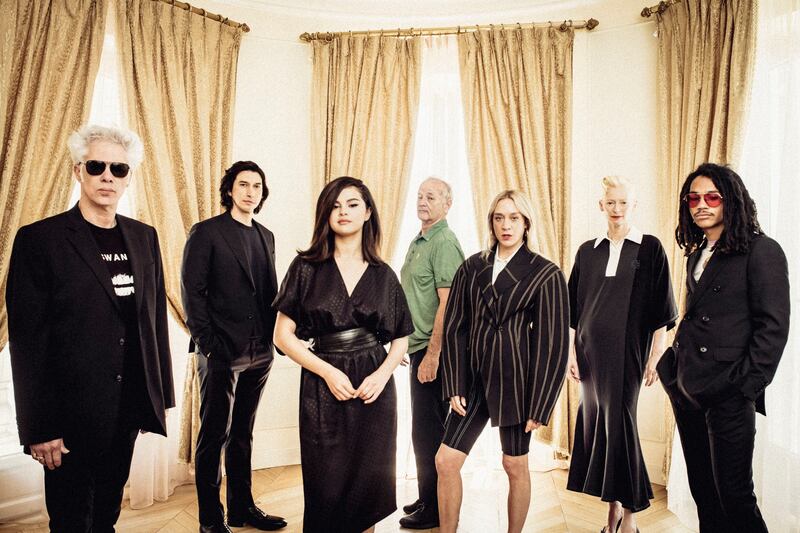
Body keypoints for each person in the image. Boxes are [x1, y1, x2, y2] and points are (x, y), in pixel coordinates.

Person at [6, 124, 174, 531]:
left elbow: (153, 320)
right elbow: (28, 344)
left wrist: (159, 394)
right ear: (77, 171)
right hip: (68, 416)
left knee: (106, 516)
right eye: (96, 165)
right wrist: (39, 427)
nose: (107, 176)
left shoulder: (144, 237)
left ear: (128, 177)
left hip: (128, 407)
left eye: (119, 169)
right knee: (70, 521)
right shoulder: (39, 240)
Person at [272, 176, 414, 533]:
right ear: (325, 214)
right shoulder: (305, 267)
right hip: (323, 385)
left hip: (374, 388)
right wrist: (328, 373)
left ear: (368, 213)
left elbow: (401, 339)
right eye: (335, 206)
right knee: (327, 485)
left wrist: (381, 376)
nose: (343, 212)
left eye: (352, 204)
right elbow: (282, 336)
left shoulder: (384, 275)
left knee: (368, 486)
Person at [657, 163, 790, 533]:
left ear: (730, 199)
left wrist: (742, 388)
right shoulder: (697, 251)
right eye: (694, 198)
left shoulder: (761, 251)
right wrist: (672, 368)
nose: (702, 204)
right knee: (704, 492)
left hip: (728, 392)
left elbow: (773, 330)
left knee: (735, 496)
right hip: (687, 388)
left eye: (712, 197)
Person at [436, 190, 570, 533]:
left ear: (526, 223)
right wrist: (454, 384)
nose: (505, 225)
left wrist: (540, 404)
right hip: (474, 381)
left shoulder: (546, 273)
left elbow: (551, 345)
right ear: (491, 222)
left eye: (513, 218)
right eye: (499, 217)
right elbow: (455, 328)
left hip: (517, 385)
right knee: (446, 460)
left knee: (514, 464)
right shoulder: (472, 267)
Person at [565, 176, 677, 533]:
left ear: (633, 206)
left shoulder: (650, 247)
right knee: (600, 428)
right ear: (601, 206)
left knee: (620, 426)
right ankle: (611, 512)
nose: (616, 210)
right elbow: (572, 310)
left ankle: (629, 517)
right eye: (610, 203)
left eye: (623, 203)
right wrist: (569, 354)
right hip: (588, 355)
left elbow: (662, 308)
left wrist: (655, 355)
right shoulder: (587, 250)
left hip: (627, 353)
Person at [181, 161, 286, 532]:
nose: (250, 191)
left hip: (261, 352)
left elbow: (271, 294)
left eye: (257, 186)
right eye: (243, 184)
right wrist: (210, 347)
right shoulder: (206, 232)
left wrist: (280, 340)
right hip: (221, 352)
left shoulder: (266, 235)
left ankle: (242, 510)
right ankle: (211, 521)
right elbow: (192, 294)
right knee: (214, 436)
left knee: (243, 434)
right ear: (229, 190)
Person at [398, 177, 465, 529]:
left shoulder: (443, 242)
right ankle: (428, 497)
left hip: (433, 351)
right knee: (422, 431)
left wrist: (433, 354)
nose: (423, 201)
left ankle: (435, 511)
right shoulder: (421, 238)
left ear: (447, 203)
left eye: (432, 196)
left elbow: (449, 303)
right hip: (418, 345)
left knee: (428, 433)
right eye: (420, 195)